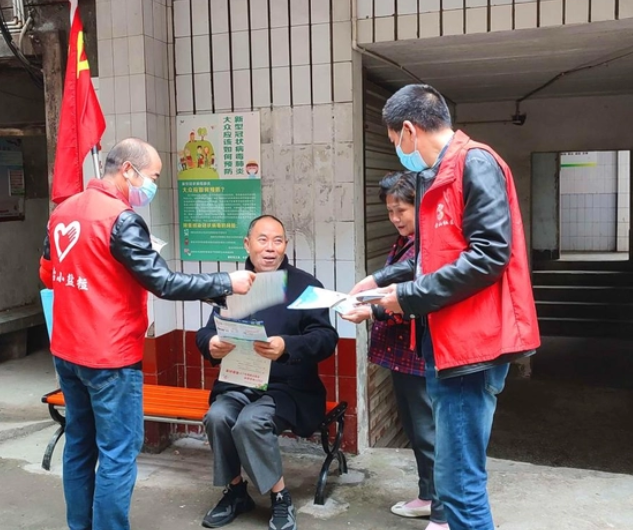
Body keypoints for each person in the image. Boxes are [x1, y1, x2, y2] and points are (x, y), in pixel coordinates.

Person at [39, 137, 255, 530]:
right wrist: (227, 281)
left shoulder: (62, 212)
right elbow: (163, 282)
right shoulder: (121, 219)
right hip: (110, 356)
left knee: (79, 445)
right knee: (118, 454)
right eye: (152, 176)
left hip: (67, 351)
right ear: (128, 170)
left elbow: (47, 273)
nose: (152, 185)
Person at [350, 84, 540, 530]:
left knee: (459, 484)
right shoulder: (434, 174)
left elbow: (489, 255)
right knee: (453, 479)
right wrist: (380, 282)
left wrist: (404, 297)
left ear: (409, 131)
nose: (397, 151)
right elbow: (428, 257)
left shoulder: (474, 164)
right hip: (446, 344)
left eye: (394, 141)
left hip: (471, 349)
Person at [196, 215, 338, 530]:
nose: (270, 248)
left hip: (289, 388)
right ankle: (235, 492)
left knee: (251, 422)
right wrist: (212, 344)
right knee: (217, 417)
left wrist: (287, 345)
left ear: (285, 245)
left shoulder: (305, 286)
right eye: (262, 240)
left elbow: (327, 338)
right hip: (238, 383)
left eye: (277, 240)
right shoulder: (234, 285)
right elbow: (206, 332)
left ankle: (280, 496)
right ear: (247, 245)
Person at [341, 171, 446, 530]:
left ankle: (443, 513)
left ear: (422, 206)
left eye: (401, 210)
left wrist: (372, 307)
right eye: (390, 212)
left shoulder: (432, 244)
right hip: (402, 354)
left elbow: (416, 293)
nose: (396, 218)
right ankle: (428, 496)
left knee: (428, 433)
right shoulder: (405, 241)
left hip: (419, 354)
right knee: (416, 430)